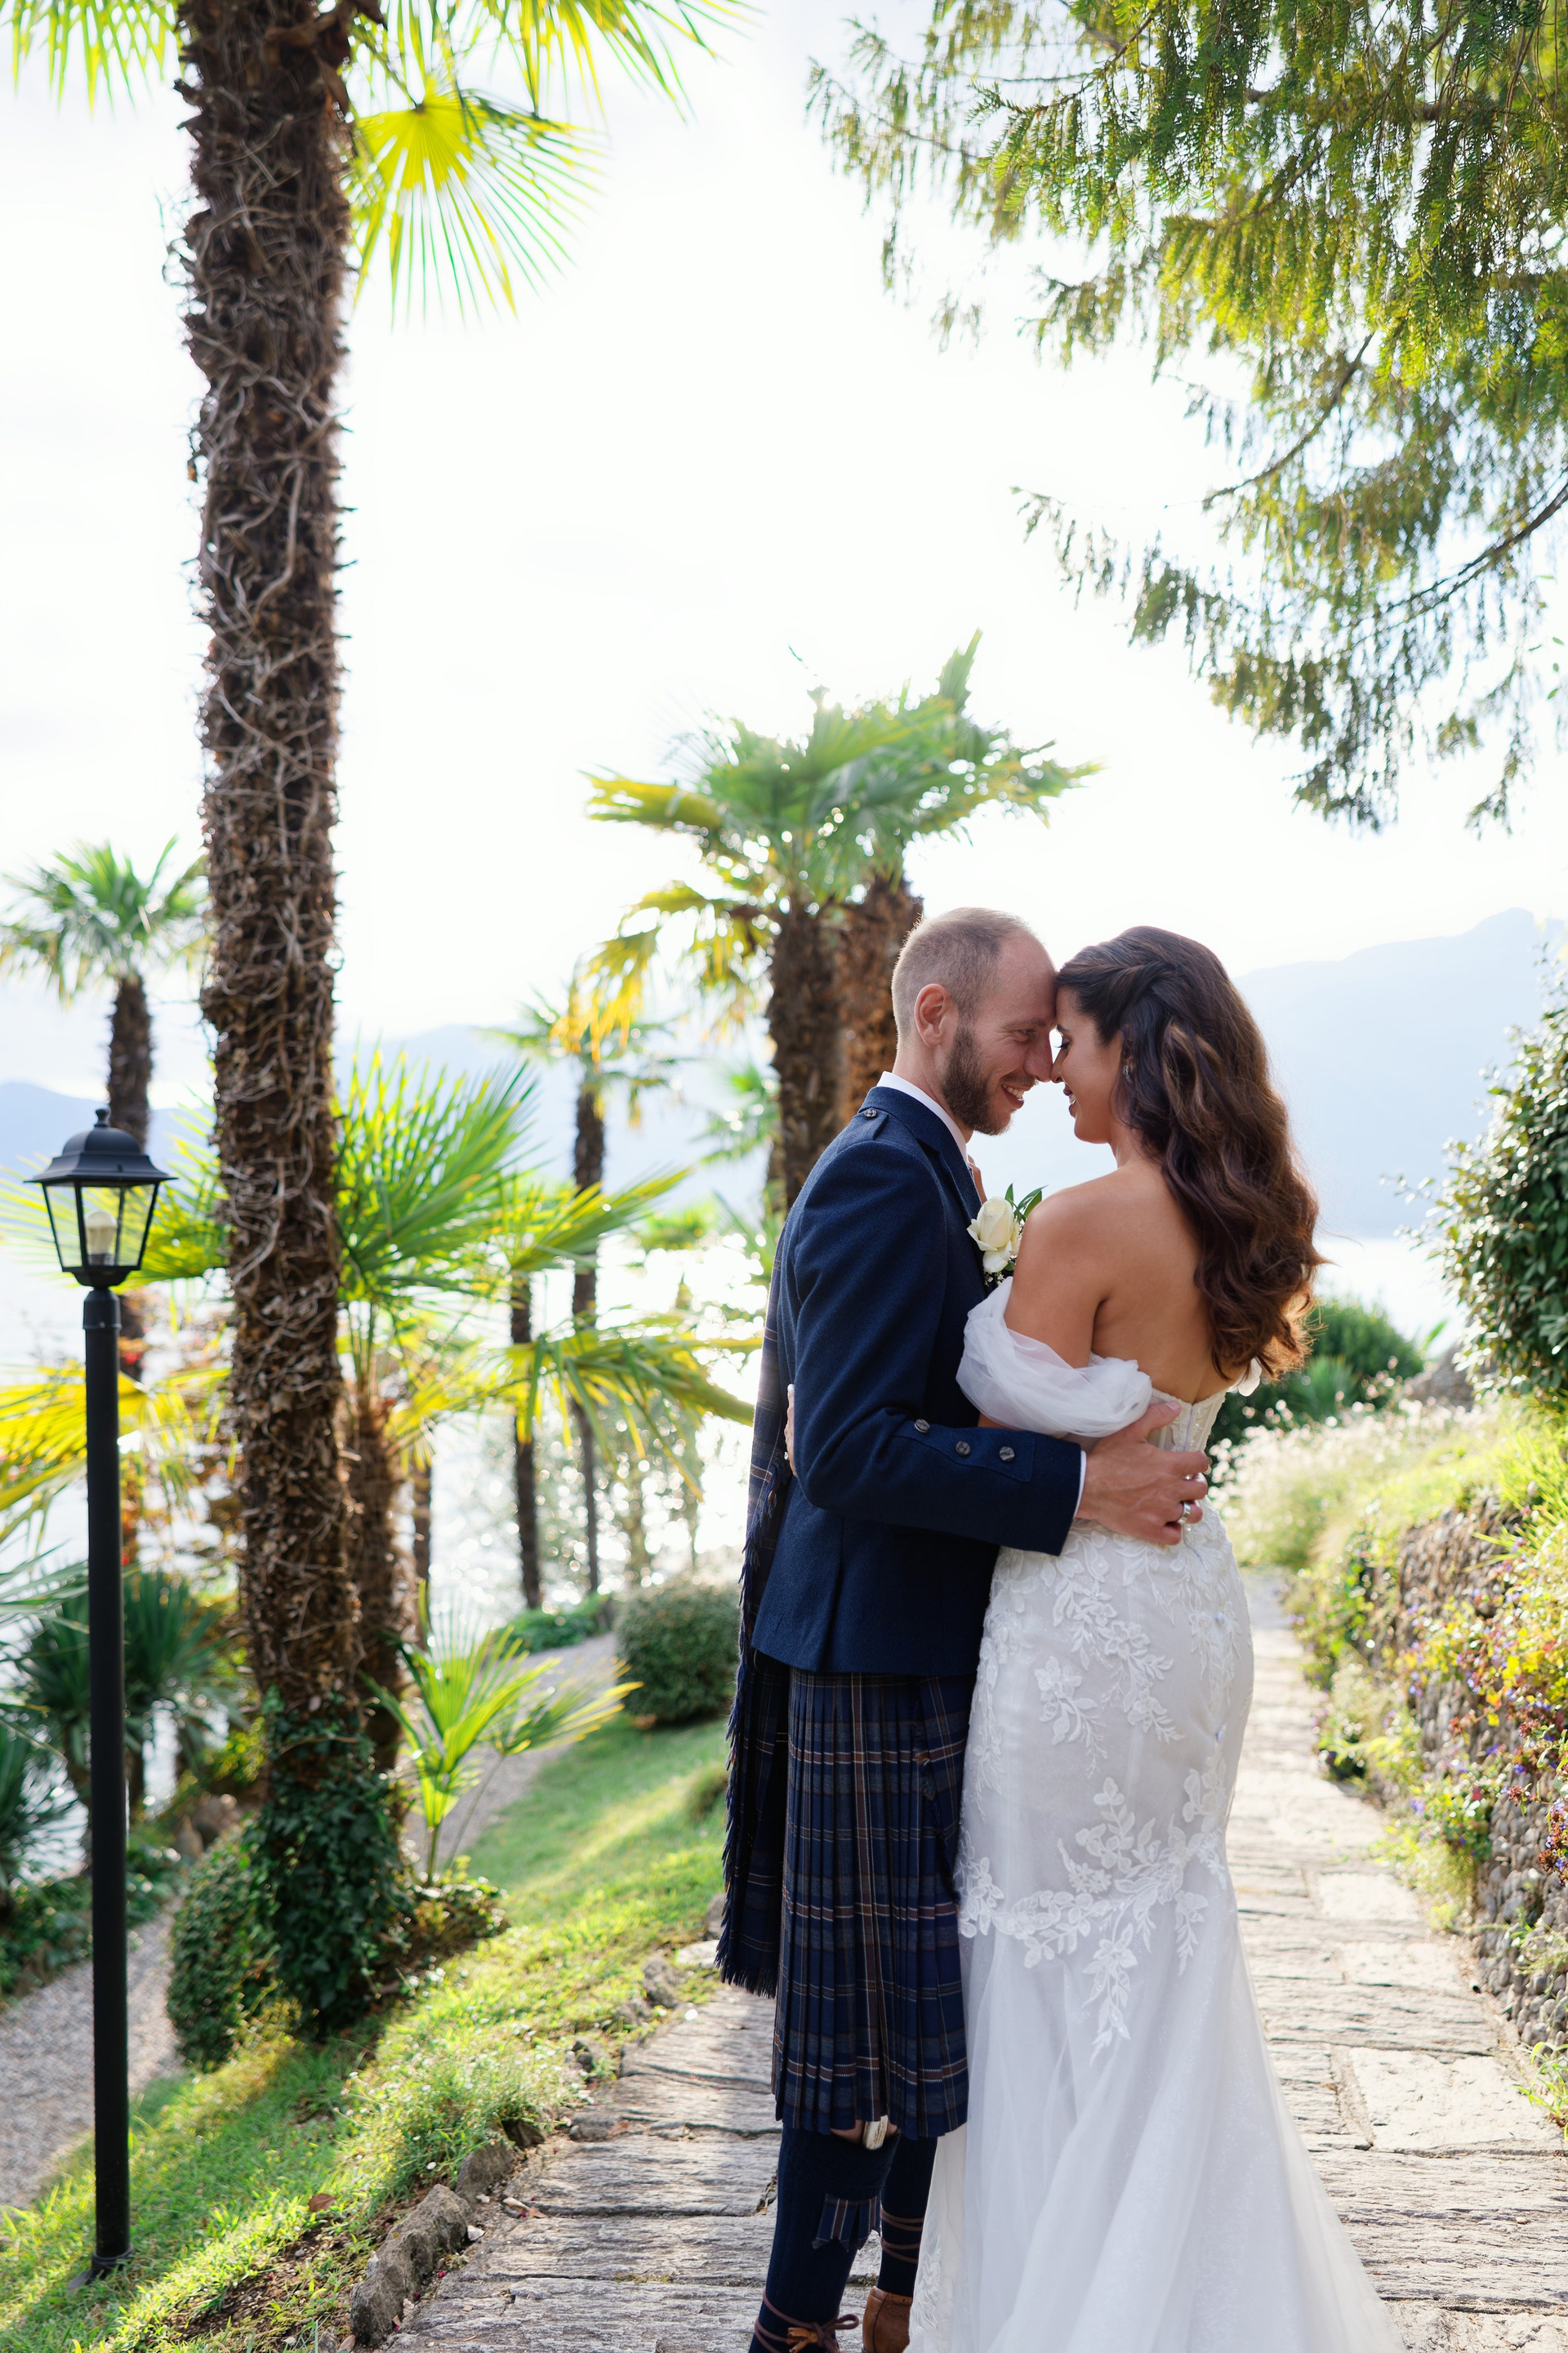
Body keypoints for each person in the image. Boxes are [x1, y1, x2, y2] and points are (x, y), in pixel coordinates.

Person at [716, 908, 1211, 2353]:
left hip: (922, 1642)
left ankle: (902, 2305)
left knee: (934, 2022)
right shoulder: (885, 1172)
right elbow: (847, 1449)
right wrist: (1077, 1484)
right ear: (935, 1014)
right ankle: (792, 2328)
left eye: (1059, 1040)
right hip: (872, 1654)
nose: (1042, 1063)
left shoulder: (936, 1168)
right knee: (862, 2049)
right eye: (1023, 1035)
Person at [910, 926, 1405, 2351]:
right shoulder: (1243, 1215)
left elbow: (994, 1435)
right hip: (1188, 1613)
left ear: (1137, 1046)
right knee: (1166, 1938)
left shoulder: (1079, 1223)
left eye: (1071, 1040)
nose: (1055, 1068)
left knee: (1043, 1940)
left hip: (1079, 1625)